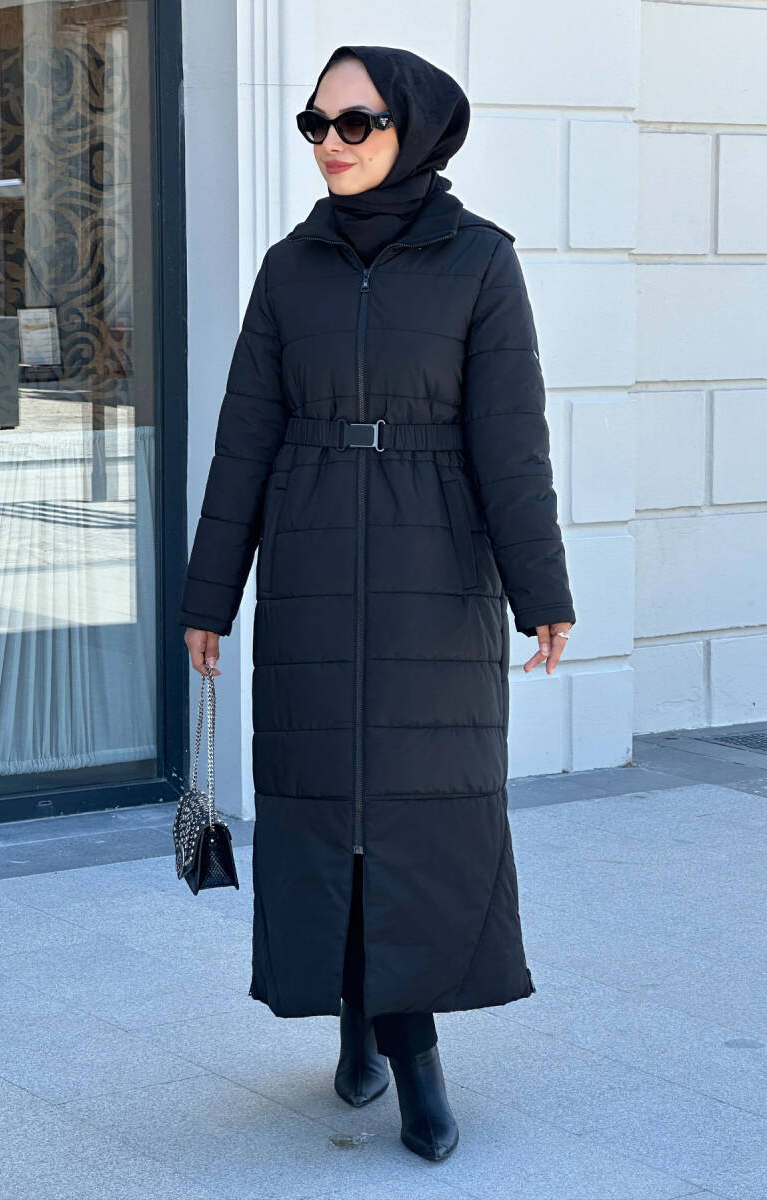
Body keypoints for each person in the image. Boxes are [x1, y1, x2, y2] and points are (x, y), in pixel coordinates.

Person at [179, 44, 576, 1163]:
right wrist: (210, 594)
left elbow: (511, 445)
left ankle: (412, 1048)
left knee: (417, 813)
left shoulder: (480, 262)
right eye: (316, 123)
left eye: (355, 122)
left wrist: (541, 589)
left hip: (433, 571)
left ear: (415, 128)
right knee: (323, 812)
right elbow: (243, 441)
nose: (331, 143)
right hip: (309, 563)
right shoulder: (287, 268)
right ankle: (355, 1015)